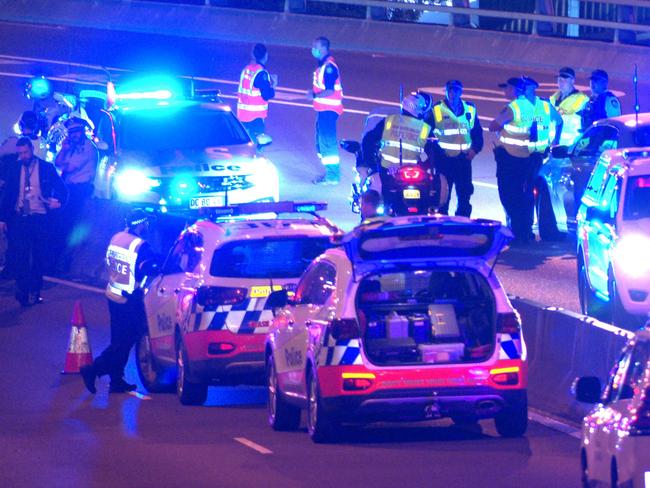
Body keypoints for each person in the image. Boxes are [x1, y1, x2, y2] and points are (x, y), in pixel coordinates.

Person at [80, 209, 157, 394]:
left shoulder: (117, 238)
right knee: (128, 338)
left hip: (113, 294)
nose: (147, 226)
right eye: (146, 223)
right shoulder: (140, 245)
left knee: (119, 338)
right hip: (129, 299)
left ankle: (116, 380)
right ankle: (94, 369)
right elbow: (146, 268)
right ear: (141, 224)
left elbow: (108, 263)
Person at [0, 137, 67, 305]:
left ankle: (35, 291)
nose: (23, 156)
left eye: (25, 152)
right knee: (20, 255)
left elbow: (62, 189)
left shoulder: (46, 168)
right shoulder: (14, 168)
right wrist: (2, 218)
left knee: (38, 256)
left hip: (39, 218)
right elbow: (7, 195)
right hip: (20, 217)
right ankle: (22, 290)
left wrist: (57, 202)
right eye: (20, 153)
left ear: (32, 150)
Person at [360, 93, 434, 214]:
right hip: (414, 174)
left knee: (374, 199)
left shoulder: (389, 121)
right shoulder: (424, 128)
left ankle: (369, 225)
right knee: (427, 199)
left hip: (388, 171)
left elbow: (368, 140)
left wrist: (371, 165)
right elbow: (430, 152)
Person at [490, 77, 537, 246]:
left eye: (507, 88)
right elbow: (532, 132)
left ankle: (516, 232)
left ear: (515, 90)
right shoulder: (530, 107)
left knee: (508, 197)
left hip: (509, 159)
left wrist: (501, 127)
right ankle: (524, 231)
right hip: (524, 157)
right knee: (521, 196)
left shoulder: (512, 107)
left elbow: (493, 125)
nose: (505, 91)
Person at [430, 80, 483, 217]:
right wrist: (436, 153)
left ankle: (463, 222)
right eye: (450, 90)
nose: (453, 93)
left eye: (456, 90)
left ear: (461, 92)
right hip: (445, 160)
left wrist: (474, 150)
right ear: (446, 91)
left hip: (464, 160)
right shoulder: (437, 109)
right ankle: (443, 224)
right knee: (443, 196)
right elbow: (427, 135)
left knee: (465, 194)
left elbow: (477, 132)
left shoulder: (469, 109)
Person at [53, 117, 99, 273]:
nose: (73, 136)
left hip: (80, 191)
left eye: (76, 132)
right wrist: (64, 149)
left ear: (82, 131)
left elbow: (70, 167)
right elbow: (57, 163)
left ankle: (64, 266)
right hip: (68, 190)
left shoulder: (88, 147)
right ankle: (56, 263)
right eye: (71, 132)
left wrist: (65, 161)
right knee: (61, 226)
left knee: (70, 228)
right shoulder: (70, 147)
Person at [308, 36, 344, 185]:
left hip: (329, 110)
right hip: (324, 110)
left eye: (315, 46)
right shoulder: (323, 66)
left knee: (327, 142)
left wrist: (314, 95)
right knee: (322, 142)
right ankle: (330, 173)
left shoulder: (329, 67)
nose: (313, 49)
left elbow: (329, 90)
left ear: (323, 48)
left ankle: (332, 176)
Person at [236, 43, 277, 139]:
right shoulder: (261, 73)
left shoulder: (246, 69)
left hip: (242, 114)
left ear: (253, 55)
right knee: (257, 142)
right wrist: (274, 85)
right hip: (255, 116)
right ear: (266, 55)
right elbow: (267, 95)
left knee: (245, 140)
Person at [549, 67, 589, 147]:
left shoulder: (582, 99)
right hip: (552, 143)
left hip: (570, 145)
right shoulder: (553, 98)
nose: (561, 83)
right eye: (559, 80)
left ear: (572, 81)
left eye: (565, 80)